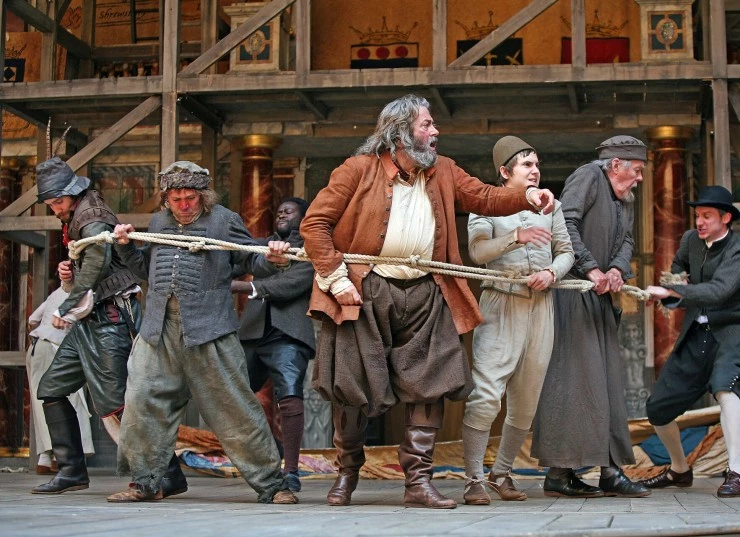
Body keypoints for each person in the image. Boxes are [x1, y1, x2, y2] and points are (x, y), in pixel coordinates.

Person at [301, 94, 555, 509]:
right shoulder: (357, 169)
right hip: (364, 290)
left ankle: (418, 482)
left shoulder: (444, 170)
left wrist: (526, 197)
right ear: (401, 132)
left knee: (430, 386)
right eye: (426, 124)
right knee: (351, 385)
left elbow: (485, 198)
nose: (435, 131)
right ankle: (346, 475)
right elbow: (315, 225)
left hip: (425, 290)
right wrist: (336, 278)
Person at [109, 161, 298, 504]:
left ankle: (272, 484)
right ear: (166, 198)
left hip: (210, 329)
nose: (183, 205)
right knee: (141, 402)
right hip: (158, 329)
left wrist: (275, 259)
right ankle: (146, 483)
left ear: (203, 196)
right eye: (176, 199)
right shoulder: (158, 222)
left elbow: (250, 261)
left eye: (190, 198)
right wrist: (124, 246)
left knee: (234, 408)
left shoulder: (225, 221)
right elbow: (146, 269)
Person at [31, 156, 186, 498]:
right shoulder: (78, 213)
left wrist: (68, 306)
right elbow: (90, 261)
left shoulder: (92, 217)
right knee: (52, 388)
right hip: (91, 321)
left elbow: (99, 262)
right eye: (51, 203)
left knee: (118, 402)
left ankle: (166, 474)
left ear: (72, 194)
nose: (56, 209)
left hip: (111, 316)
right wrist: (70, 273)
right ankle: (71, 471)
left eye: (58, 202)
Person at [531, 135, 651, 498]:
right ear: (616, 165)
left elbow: (627, 241)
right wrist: (590, 268)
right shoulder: (588, 176)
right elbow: (565, 223)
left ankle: (609, 471)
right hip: (572, 296)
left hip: (600, 300)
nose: (640, 178)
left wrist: (615, 269)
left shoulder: (626, 199)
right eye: (637, 170)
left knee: (607, 383)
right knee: (574, 382)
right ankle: (560, 473)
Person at [462, 136, 574, 505]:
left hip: (541, 306)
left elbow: (566, 251)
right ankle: (473, 479)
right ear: (505, 172)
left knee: (526, 401)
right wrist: (516, 237)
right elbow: (478, 251)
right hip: (500, 302)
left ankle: (501, 473)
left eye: (536, 163)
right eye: (527, 164)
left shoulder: (551, 206)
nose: (535, 170)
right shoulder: (485, 204)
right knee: (486, 395)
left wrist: (551, 273)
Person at [639, 186, 740, 498]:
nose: (700, 222)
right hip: (696, 334)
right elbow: (678, 267)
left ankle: (736, 472)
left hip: (731, 332)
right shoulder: (689, 240)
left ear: (725, 218)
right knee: (658, 408)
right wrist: (675, 281)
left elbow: (720, 290)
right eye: (698, 215)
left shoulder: (737, 248)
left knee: (726, 389)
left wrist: (673, 292)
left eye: (707, 216)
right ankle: (679, 470)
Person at [231, 197, 316, 493]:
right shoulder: (263, 246)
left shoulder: (312, 248)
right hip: (252, 332)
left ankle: (291, 471)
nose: (281, 214)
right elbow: (238, 259)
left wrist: (245, 286)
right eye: (279, 211)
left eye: (288, 211)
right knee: (232, 397)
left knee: (290, 398)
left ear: (304, 218)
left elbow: (292, 284)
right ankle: (271, 453)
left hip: (288, 333)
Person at [26, 286, 95, 474]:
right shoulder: (84, 291)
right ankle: (61, 457)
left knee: (43, 402)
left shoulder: (55, 293)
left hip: (37, 347)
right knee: (69, 400)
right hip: (58, 347)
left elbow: (32, 319)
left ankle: (44, 459)